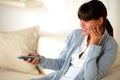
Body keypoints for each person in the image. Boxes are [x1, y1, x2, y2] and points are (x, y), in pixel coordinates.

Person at [25, 0, 118, 80]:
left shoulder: (111, 46)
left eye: (85, 20)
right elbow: (61, 63)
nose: (81, 24)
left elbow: (91, 77)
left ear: (100, 20)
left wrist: (94, 46)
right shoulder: (75, 35)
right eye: (80, 19)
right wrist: (39, 60)